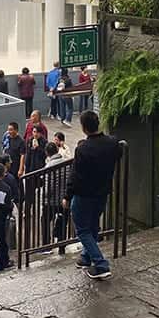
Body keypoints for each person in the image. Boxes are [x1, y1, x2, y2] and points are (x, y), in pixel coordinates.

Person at [63, 110, 123, 280]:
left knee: (82, 230)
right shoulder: (112, 143)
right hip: (102, 192)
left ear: (83, 128)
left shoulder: (83, 149)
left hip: (84, 195)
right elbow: (119, 151)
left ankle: (101, 264)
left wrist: (67, 196)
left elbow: (75, 175)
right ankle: (86, 257)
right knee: (93, 226)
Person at [39, 142, 68, 255]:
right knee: (62, 221)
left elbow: (48, 185)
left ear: (47, 153)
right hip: (64, 199)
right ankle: (62, 246)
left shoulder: (49, 166)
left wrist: (44, 195)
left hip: (51, 201)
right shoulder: (66, 162)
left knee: (45, 221)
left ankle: (47, 246)